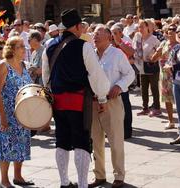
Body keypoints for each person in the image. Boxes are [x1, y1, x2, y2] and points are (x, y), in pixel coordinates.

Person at [42, 9, 110, 188]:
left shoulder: (49, 45)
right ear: (78, 26)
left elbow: (45, 77)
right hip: (78, 100)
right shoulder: (84, 46)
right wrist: (102, 97)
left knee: (62, 140)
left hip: (57, 101)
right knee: (81, 140)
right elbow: (95, 74)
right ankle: (81, 184)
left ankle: (64, 182)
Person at [89, 24, 134, 188]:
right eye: (93, 34)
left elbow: (130, 74)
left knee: (115, 141)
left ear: (109, 37)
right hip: (93, 103)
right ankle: (99, 175)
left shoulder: (116, 54)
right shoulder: (90, 55)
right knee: (96, 141)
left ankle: (119, 176)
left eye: (98, 33)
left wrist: (119, 86)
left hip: (112, 102)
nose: (95, 36)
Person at [0, 36, 34, 188]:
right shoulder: (4, 65)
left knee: (21, 145)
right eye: (21, 46)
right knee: (6, 147)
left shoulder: (23, 65)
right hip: (7, 114)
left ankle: (18, 176)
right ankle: (4, 180)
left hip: (22, 116)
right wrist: (2, 117)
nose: (24, 49)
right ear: (12, 49)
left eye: (24, 46)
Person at [151, 24, 178, 129]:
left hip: (176, 76)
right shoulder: (163, 44)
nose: (170, 31)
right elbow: (153, 59)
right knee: (167, 99)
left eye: (174, 29)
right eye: (168, 30)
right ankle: (171, 121)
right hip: (164, 76)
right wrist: (157, 53)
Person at [110, 24, 134, 139]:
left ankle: (127, 131)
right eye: (111, 33)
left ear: (120, 33)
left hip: (123, 81)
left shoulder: (125, 43)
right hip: (111, 82)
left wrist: (119, 43)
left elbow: (131, 53)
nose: (113, 35)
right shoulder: (109, 46)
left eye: (115, 33)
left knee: (125, 106)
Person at [134, 20, 162, 117]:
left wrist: (154, 58)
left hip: (152, 66)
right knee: (144, 88)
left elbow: (160, 52)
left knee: (154, 88)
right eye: (139, 27)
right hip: (141, 67)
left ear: (147, 28)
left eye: (142, 26)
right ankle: (145, 108)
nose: (140, 29)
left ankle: (157, 108)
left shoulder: (154, 39)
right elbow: (136, 51)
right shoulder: (138, 39)